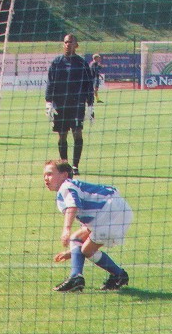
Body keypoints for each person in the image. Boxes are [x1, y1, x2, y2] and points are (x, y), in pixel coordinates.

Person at [43, 159, 132, 292]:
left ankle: (79, 278)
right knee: (78, 239)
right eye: (44, 175)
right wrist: (72, 252)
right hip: (113, 211)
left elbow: (73, 205)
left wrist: (66, 229)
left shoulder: (66, 186)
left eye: (50, 174)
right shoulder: (69, 187)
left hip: (111, 212)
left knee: (87, 250)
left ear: (64, 175)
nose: (46, 178)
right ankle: (116, 275)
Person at [45, 34, 94, 176]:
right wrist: (49, 102)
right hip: (60, 105)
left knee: (77, 133)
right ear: (63, 44)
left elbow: (88, 85)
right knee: (62, 136)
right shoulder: (57, 62)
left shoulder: (82, 63)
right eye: (66, 42)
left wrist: (90, 106)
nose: (68, 44)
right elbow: (50, 83)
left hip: (77, 105)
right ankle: (64, 164)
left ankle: (75, 165)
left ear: (76, 45)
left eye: (71, 42)